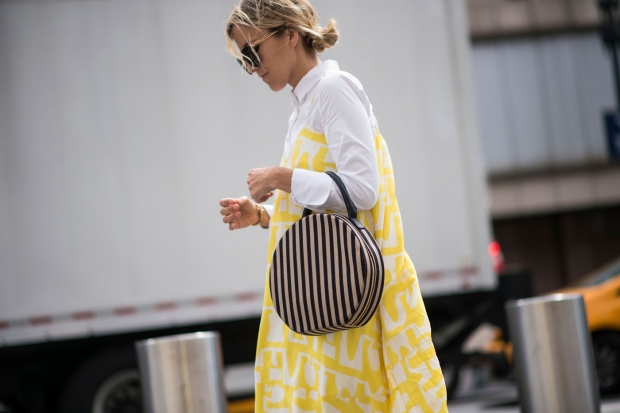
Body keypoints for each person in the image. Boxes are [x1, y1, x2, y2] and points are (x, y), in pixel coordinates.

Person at [219, 1, 448, 411]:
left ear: (290, 35)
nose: (252, 67)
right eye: (243, 60)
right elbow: (324, 211)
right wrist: (264, 216)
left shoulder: (333, 89)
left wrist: (282, 177)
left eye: (253, 51)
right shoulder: (304, 106)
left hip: (349, 296)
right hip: (327, 296)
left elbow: (362, 190)